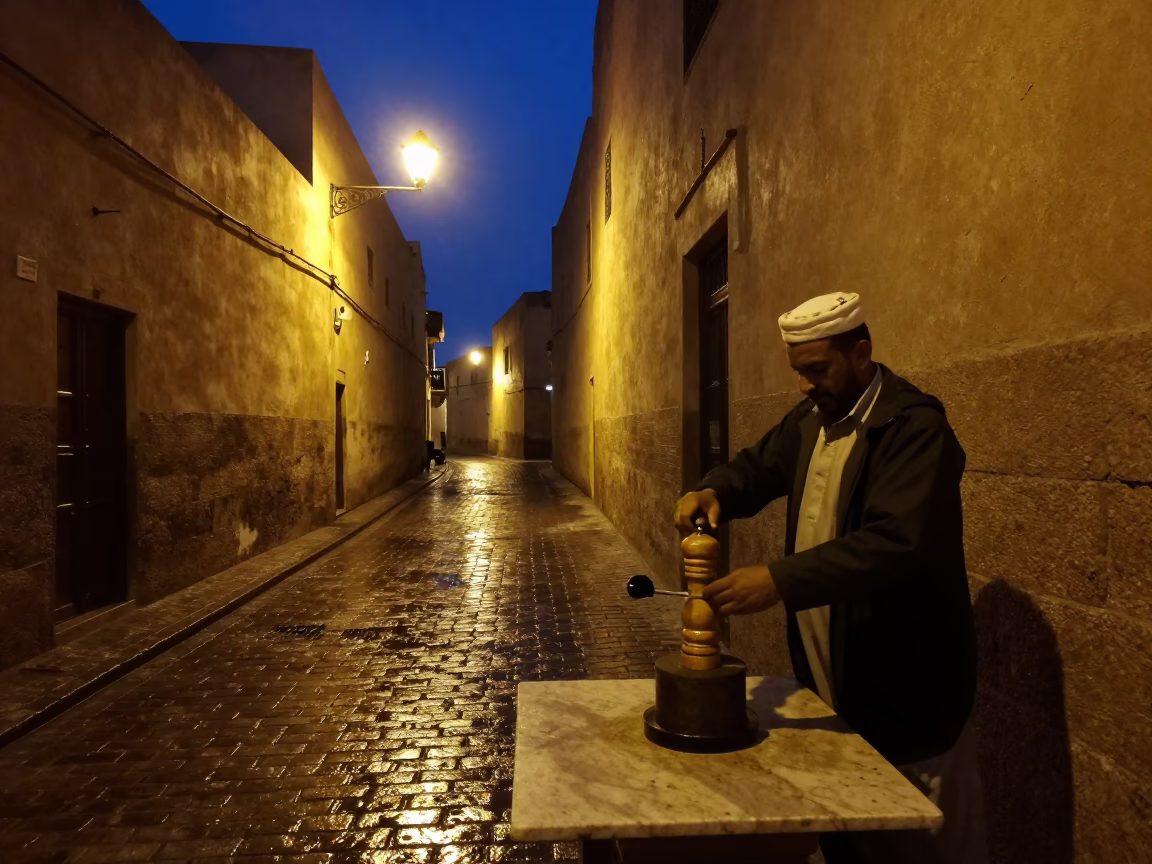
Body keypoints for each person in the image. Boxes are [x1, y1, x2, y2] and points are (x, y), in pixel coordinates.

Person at [674, 292, 986, 864]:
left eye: (815, 370)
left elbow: (895, 544)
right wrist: (713, 489)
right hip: (837, 687)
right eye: (798, 372)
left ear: (861, 353)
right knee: (852, 845)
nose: (803, 385)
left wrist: (778, 580)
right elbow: (757, 466)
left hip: (909, 696)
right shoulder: (812, 420)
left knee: (920, 844)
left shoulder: (913, 430)